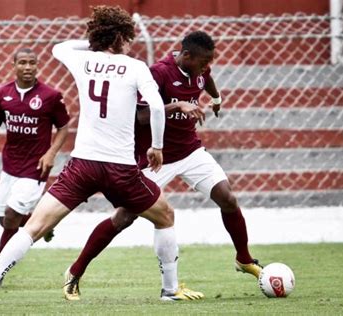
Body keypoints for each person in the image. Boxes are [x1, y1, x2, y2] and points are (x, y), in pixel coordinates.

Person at [0, 6, 204, 305]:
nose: (130, 43)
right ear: (118, 37)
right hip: (120, 169)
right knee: (165, 216)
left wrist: (94, 42)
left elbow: (58, 47)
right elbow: (155, 108)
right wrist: (156, 146)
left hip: (83, 165)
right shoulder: (136, 66)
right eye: (127, 37)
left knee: (34, 227)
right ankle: (169, 290)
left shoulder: (81, 57)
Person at [63, 31, 263, 300]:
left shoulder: (201, 69)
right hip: (155, 158)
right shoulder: (158, 73)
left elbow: (207, 79)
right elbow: (142, 116)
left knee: (228, 198)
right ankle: (75, 270)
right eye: (203, 61)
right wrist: (176, 105)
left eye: (210, 62)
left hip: (190, 151)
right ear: (186, 55)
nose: (206, 66)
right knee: (124, 217)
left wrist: (216, 99)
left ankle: (244, 258)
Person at [0, 47, 69, 284]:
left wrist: (51, 153)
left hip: (36, 167)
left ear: (37, 65)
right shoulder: (2, 94)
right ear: (14, 65)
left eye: (32, 63)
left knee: (10, 216)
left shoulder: (51, 95)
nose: (28, 67)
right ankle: (40, 224)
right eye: (23, 63)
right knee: (4, 220)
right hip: (10, 164)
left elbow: (63, 127)